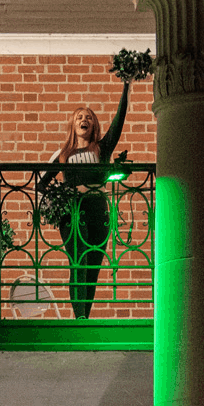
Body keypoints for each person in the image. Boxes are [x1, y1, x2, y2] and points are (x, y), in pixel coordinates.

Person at [35, 78, 132, 319]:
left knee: (93, 266)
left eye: (88, 117)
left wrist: (126, 85)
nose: (84, 120)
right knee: (79, 260)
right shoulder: (62, 154)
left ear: (94, 125)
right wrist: (66, 194)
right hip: (73, 212)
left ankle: (84, 316)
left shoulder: (101, 149)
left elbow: (119, 123)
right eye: (79, 117)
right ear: (72, 125)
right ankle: (79, 317)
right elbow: (41, 184)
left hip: (99, 210)